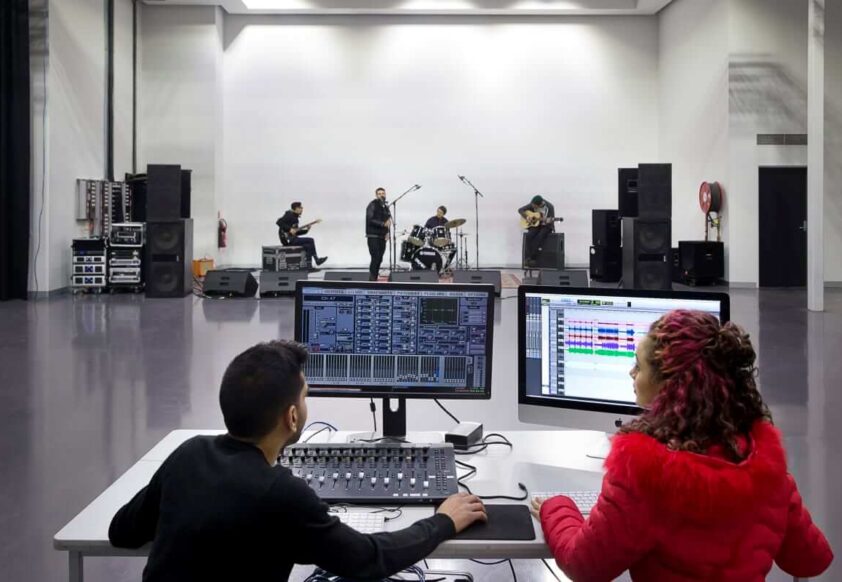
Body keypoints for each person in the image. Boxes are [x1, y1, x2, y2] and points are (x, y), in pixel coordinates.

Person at [109, 340, 487, 582]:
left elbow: (122, 530)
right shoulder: (282, 493)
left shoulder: (187, 454)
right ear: (291, 417)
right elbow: (367, 560)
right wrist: (443, 522)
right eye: (305, 396)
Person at [531, 310, 834, 582]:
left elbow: (584, 566)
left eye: (638, 366)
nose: (631, 374)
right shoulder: (765, 467)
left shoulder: (646, 476)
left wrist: (556, 507)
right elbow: (811, 559)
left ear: (670, 387)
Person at [276, 202, 327, 267]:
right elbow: (278, 222)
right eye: (300, 208)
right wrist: (289, 229)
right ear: (296, 208)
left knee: (309, 246)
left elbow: (296, 232)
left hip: (293, 239)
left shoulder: (295, 218)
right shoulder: (289, 215)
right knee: (311, 240)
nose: (302, 209)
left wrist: (307, 230)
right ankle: (317, 260)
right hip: (288, 240)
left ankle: (309, 266)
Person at [518, 195, 556, 267]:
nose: (533, 207)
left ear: (540, 204)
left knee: (539, 237)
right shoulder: (532, 204)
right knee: (529, 236)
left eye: (535, 206)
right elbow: (520, 210)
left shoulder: (550, 207)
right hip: (536, 224)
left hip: (546, 226)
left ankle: (533, 258)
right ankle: (528, 258)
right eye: (532, 205)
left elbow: (551, 221)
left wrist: (546, 221)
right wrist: (527, 217)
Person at [365, 187, 392, 281]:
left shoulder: (385, 207)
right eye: (379, 193)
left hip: (382, 236)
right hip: (373, 236)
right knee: (375, 257)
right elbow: (370, 219)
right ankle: (372, 279)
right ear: (376, 195)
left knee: (380, 258)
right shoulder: (372, 204)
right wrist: (382, 224)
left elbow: (387, 221)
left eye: (383, 193)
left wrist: (387, 232)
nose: (381, 195)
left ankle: (374, 277)